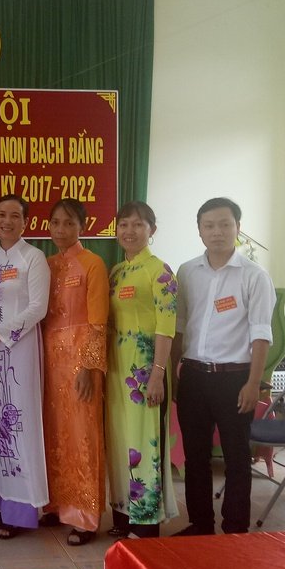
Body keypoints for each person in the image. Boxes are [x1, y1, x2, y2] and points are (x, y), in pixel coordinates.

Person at [170, 197, 275, 535]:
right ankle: (200, 525)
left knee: (236, 457)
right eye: (209, 225)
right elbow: (179, 326)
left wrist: (254, 383)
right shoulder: (187, 271)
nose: (217, 232)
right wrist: (175, 372)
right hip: (193, 377)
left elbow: (261, 334)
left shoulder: (255, 276)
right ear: (199, 230)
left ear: (238, 228)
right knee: (196, 457)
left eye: (225, 224)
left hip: (235, 379)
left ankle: (235, 530)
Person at [0, 194, 51, 540]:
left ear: (25, 222)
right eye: (1, 215)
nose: (7, 221)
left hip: (19, 349)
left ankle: (22, 510)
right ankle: (4, 505)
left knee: (19, 422)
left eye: (15, 216)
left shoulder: (34, 258)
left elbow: (38, 308)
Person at [105, 201, 179, 539]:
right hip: (117, 367)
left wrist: (158, 374)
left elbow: (166, 326)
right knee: (121, 439)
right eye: (124, 224)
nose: (129, 231)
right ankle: (123, 513)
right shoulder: (117, 272)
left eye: (138, 224)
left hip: (145, 369)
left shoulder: (160, 271)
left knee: (144, 442)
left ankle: (146, 522)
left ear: (152, 230)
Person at [40, 198, 109, 546]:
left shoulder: (93, 264)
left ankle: (84, 515)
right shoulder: (46, 265)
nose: (61, 229)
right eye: (55, 223)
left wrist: (89, 366)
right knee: (54, 432)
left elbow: (98, 322)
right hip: (49, 361)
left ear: (82, 226)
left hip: (80, 361)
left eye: (69, 223)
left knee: (83, 434)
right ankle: (56, 504)